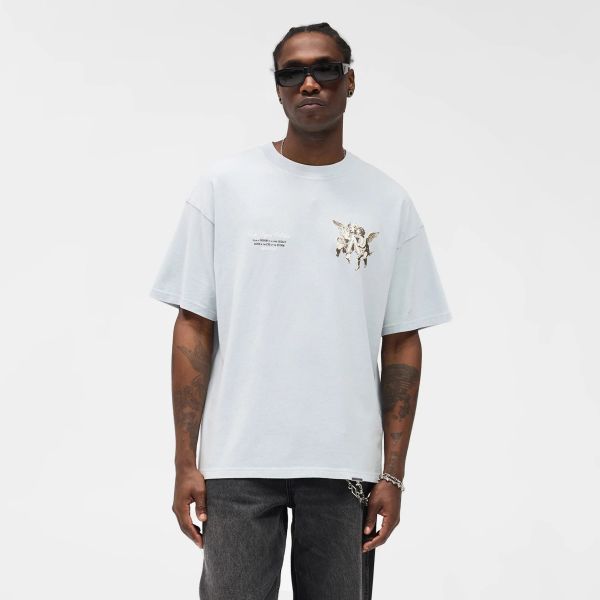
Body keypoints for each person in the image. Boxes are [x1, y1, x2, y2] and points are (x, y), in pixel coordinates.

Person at [149, 22, 452, 600]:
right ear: (278, 87)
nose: (309, 83)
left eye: (325, 69)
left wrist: (392, 472)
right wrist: (186, 460)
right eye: (292, 73)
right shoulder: (224, 187)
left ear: (350, 81)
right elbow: (193, 325)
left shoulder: (387, 201)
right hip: (238, 460)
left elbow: (401, 340)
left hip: (345, 466)